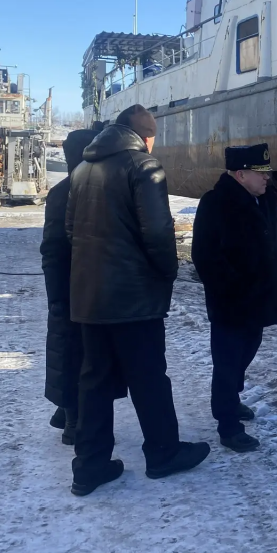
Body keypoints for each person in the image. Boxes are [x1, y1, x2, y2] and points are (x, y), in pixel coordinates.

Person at [65, 104, 209, 496]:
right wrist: (167, 273)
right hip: (132, 298)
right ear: (147, 137)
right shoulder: (144, 166)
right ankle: (163, 453)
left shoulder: (82, 168)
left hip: (89, 296)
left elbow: (71, 229)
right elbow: (158, 232)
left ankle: (89, 467)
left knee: (94, 380)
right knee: (148, 377)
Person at [192, 143, 277, 453]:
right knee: (227, 362)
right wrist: (233, 289)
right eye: (261, 173)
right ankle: (228, 425)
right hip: (231, 302)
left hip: (261, 298)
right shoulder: (215, 203)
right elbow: (205, 256)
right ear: (240, 174)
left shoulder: (267, 200)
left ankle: (231, 399)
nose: (267, 177)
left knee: (247, 351)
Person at [41, 128, 113, 445]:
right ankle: (74, 422)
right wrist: (58, 296)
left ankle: (66, 412)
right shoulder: (72, 192)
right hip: (76, 289)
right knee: (75, 356)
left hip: (75, 287)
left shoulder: (66, 189)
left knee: (72, 354)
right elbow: (53, 250)